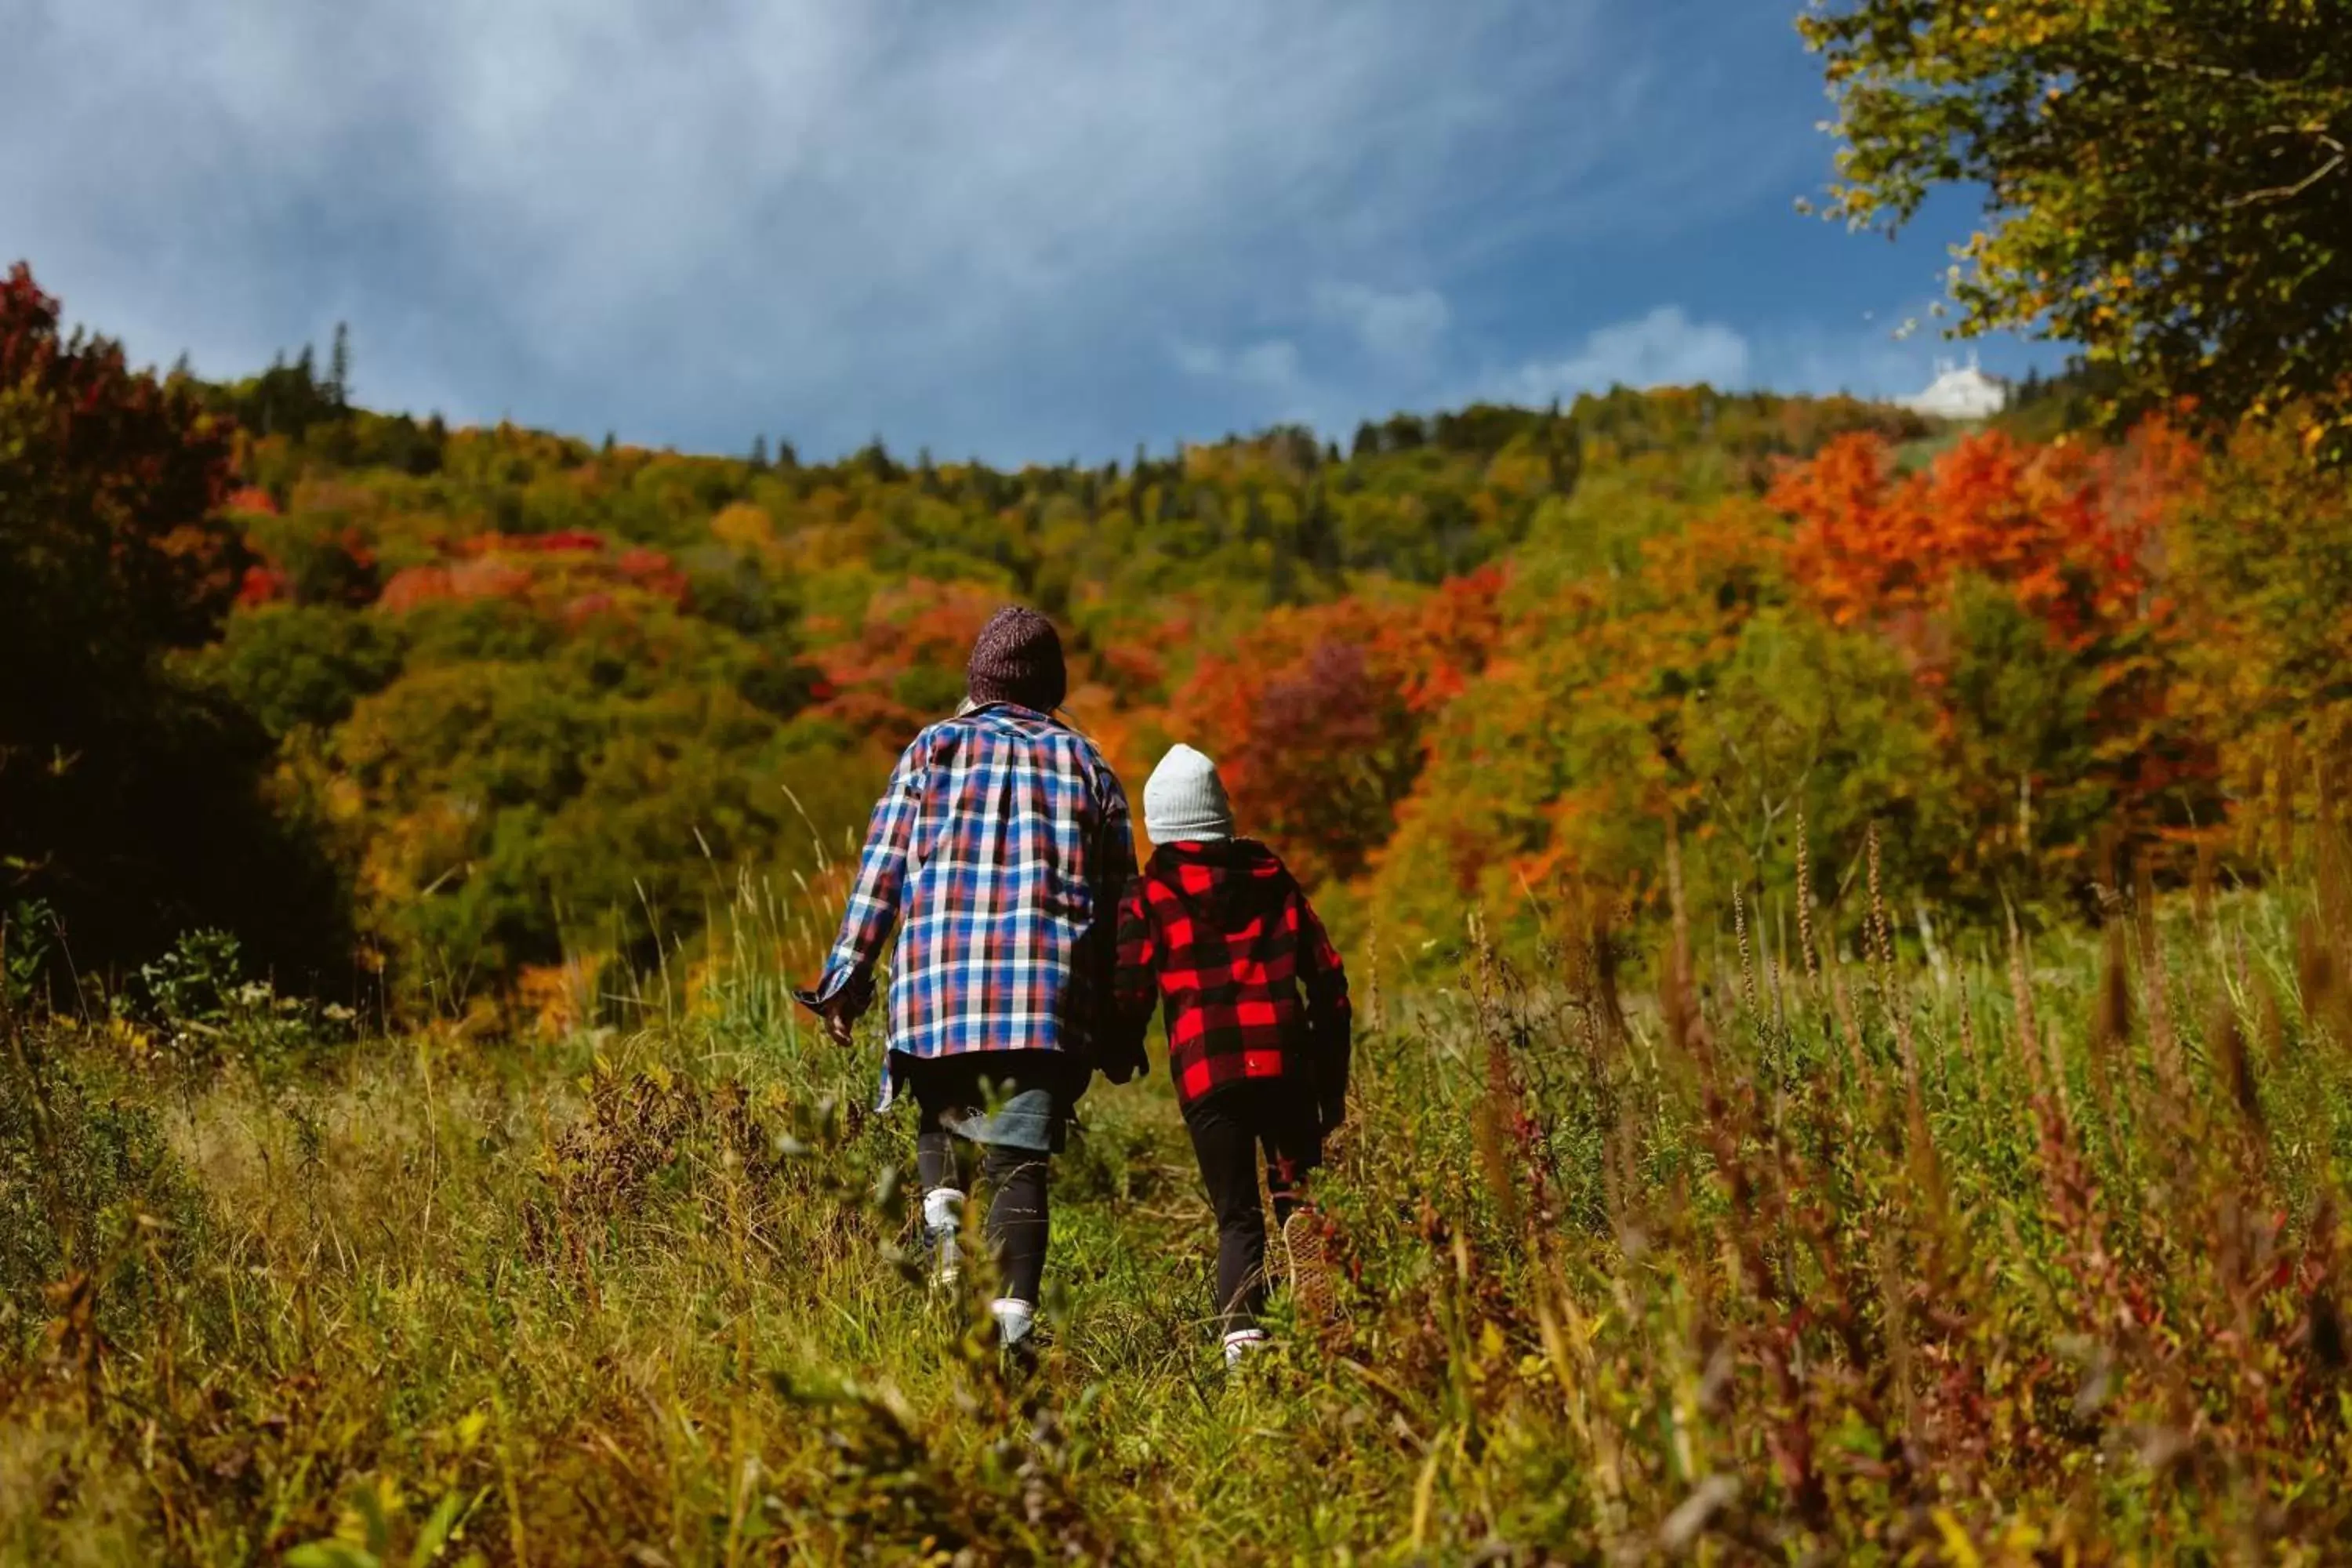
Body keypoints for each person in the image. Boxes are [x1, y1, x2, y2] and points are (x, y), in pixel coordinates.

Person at [797, 607, 1141, 1350]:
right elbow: (1124, 912)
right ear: (1053, 689)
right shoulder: (1090, 765)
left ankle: (943, 1219)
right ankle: (1013, 1331)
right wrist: (1121, 1024)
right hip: (1046, 1000)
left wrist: (846, 981)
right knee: (1020, 1168)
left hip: (937, 991)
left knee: (942, 1109)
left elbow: (880, 873)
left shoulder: (934, 748)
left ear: (978, 684)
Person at [1111, 743, 1351, 1368]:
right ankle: (1323, 1333)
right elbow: (1328, 979)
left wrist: (1119, 1048)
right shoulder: (1274, 879)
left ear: (1159, 823)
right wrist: (1332, 1083)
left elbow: (1129, 990)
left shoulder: (1148, 894)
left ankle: (1245, 1356)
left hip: (1207, 1072)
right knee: (1299, 1196)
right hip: (1286, 1064)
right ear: (1222, 814)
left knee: (1237, 1218)